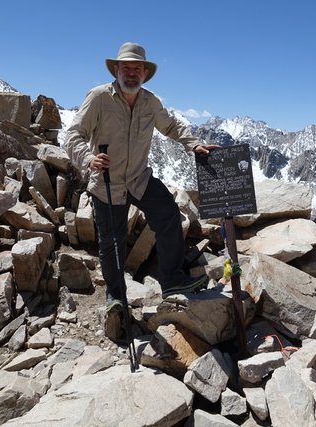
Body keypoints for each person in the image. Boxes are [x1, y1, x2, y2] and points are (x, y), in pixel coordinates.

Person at [65, 42, 219, 314]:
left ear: (145, 73)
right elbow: (74, 134)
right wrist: (88, 159)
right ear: (117, 70)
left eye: (137, 68)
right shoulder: (99, 97)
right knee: (112, 240)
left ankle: (172, 281)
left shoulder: (151, 101)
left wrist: (194, 144)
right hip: (107, 182)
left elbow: (171, 125)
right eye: (126, 67)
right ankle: (115, 297)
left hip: (138, 177)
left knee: (169, 216)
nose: (132, 73)